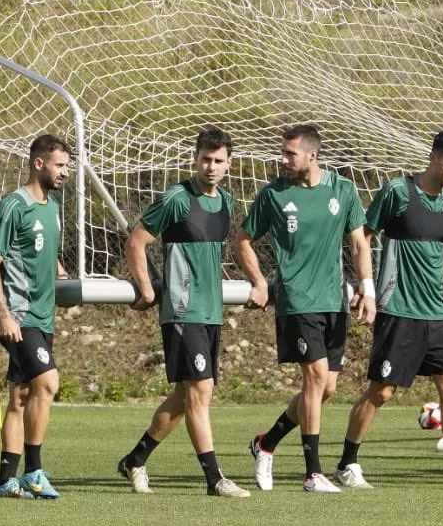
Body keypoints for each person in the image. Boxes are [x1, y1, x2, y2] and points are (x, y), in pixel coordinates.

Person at [336, 129, 443, 490]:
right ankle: (346, 463)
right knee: (382, 391)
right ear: (434, 157)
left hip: (435, 311)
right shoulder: (397, 192)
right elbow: (364, 238)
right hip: (398, 308)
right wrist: (367, 288)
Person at [241, 125, 374, 494]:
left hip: (335, 302)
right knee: (314, 378)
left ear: (312, 155)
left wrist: (368, 290)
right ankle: (313, 473)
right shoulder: (273, 195)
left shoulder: (343, 190)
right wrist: (260, 281)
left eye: (290, 154)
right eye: (282, 153)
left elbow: (360, 246)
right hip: (298, 301)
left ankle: (265, 443)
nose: (282, 160)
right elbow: (243, 240)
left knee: (326, 388)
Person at [118, 128, 250, 498]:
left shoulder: (225, 200)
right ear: (195, 158)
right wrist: (146, 287)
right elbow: (137, 242)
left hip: (210, 312)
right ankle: (214, 479)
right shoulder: (177, 198)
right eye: (205, 159)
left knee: (186, 398)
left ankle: (136, 459)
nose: (211, 166)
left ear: (229, 164)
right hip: (181, 309)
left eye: (218, 160)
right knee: (200, 391)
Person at [0, 134, 71, 499]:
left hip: (42, 315)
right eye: (60, 165)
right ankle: (34, 471)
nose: (66, 173)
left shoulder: (51, 207)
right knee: (47, 384)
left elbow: (46, 254)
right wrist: (3, 315)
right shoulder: (12, 206)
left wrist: (63, 277)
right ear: (39, 163)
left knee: (21, 396)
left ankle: (6, 480)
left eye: (67, 166)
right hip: (19, 316)